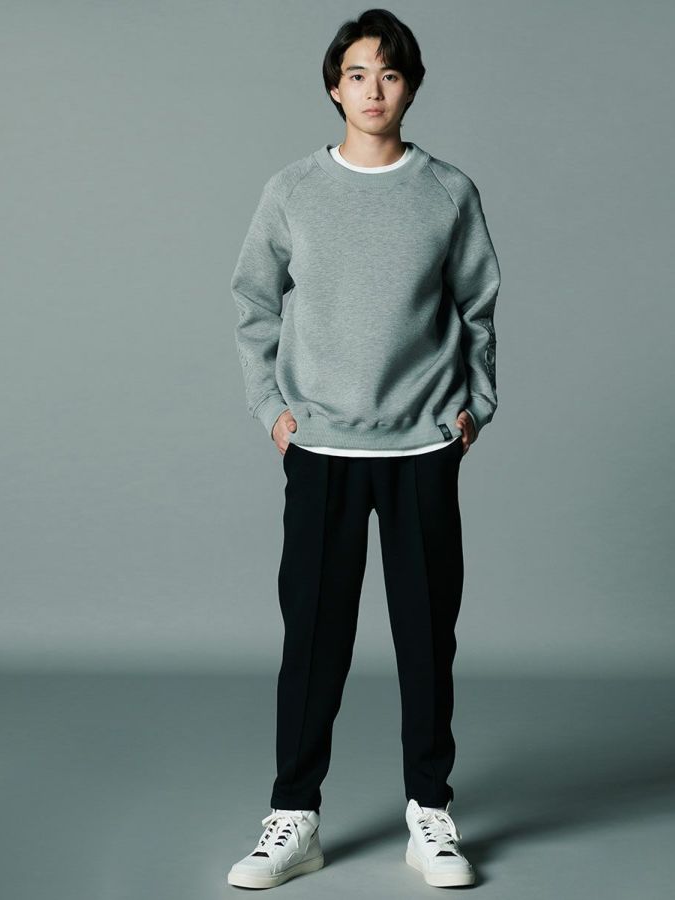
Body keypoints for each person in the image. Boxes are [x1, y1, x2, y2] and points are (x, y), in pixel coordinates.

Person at [226, 8, 500, 890]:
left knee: (426, 637)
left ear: (410, 86)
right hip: (322, 449)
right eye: (356, 74)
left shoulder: (448, 192)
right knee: (312, 638)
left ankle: (431, 814)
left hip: (421, 445)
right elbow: (253, 303)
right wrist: (272, 408)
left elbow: (477, 309)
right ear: (333, 87)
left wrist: (474, 407)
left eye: (389, 73)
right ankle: (294, 817)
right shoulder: (292, 191)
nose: (372, 89)